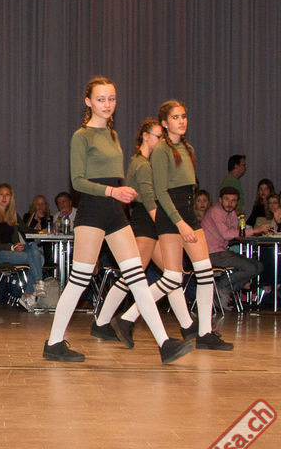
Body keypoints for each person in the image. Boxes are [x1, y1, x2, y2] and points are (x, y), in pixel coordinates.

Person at [43, 77, 191, 365]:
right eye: (101, 99)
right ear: (88, 102)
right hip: (93, 211)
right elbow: (77, 181)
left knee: (136, 276)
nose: (107, 104)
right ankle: (54, 342)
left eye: (111, 98)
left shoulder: (113, 135)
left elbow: (115, 177)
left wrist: (125, 193)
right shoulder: (81, 136)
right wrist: (113, 191)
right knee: (80, 278)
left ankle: (164, 344)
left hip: (114, 213)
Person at [92, 118, 196, 342]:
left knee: (172, 275)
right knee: (132, 277)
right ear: (145, 137)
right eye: (158, 136)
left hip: (149, 222)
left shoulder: (143, 162)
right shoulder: (141, 164)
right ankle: (102, 323)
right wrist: (170, 225)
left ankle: (188, 326)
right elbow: (149, 200)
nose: (162, 141)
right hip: (146, 223)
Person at [149, 99, 233, 350]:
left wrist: (188, 221)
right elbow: (160, 192)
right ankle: (127, 317)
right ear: (165, 123)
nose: (181, 121)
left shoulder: (188, 149)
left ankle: (205, 332)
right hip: (170, 216)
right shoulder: (161, 150)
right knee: (172, 278)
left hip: (187, 212)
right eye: (175, 117)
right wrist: (180, 223)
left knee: (205, 272)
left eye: (183, 116)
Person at [0, 183, 45, 310]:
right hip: (0, 253)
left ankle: (31, 291)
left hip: (16, 251)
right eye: (1, 194)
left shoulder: (13, 214)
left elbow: (26, 230)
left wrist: (41, 232)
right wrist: (10, 247)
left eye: (7, 195)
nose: (4, 198)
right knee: (37, 258)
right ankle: (32, 291)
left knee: (35, 250)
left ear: (11, 197)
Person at [201, 187, 267, 306]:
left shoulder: (231, 213)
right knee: (251, 268)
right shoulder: (216, 211)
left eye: (233, 200)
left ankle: (223, 291)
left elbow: (237, 233)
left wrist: (246, 233)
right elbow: (227, 234)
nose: (230, 203)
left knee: (259, 266)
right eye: (227, 199)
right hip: (211, 253)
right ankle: (220, 289)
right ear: (220, 200)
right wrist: (254, 230)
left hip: (222, 252)